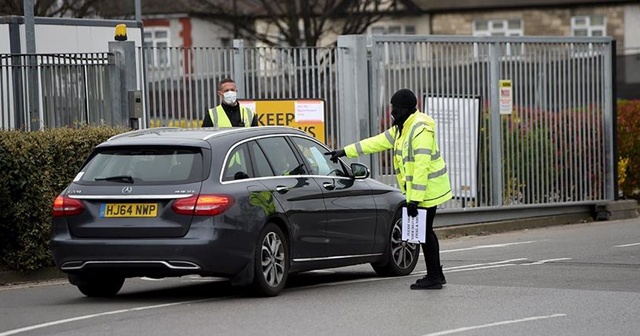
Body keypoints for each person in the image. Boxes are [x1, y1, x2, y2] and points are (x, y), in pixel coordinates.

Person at [325, 88, 452, 290]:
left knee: (424, 232)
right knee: (425, 232)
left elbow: (421, 165)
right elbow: (376, 142)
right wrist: (345, 151)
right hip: (421, 190)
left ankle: (434, 277)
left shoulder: (420, 129)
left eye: (395, 108)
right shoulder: (402, 127)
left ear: (404, 109)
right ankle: (436, 274)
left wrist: (415, 200)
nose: (392, 111)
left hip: (427, 190)